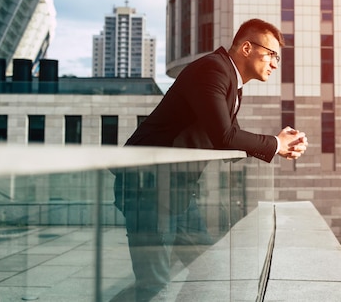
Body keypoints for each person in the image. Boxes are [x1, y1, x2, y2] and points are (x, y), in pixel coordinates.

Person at [113, 18, 308, 301]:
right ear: (246, 48)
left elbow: (227, 136)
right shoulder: (212, 70)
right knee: (153, 284)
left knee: (208, 268)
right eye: (271, 55)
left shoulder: (230, 80)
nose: (275, 64)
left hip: (176, 191)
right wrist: (276, 144)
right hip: (147, 188)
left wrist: (280, 144)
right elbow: (225, 137)